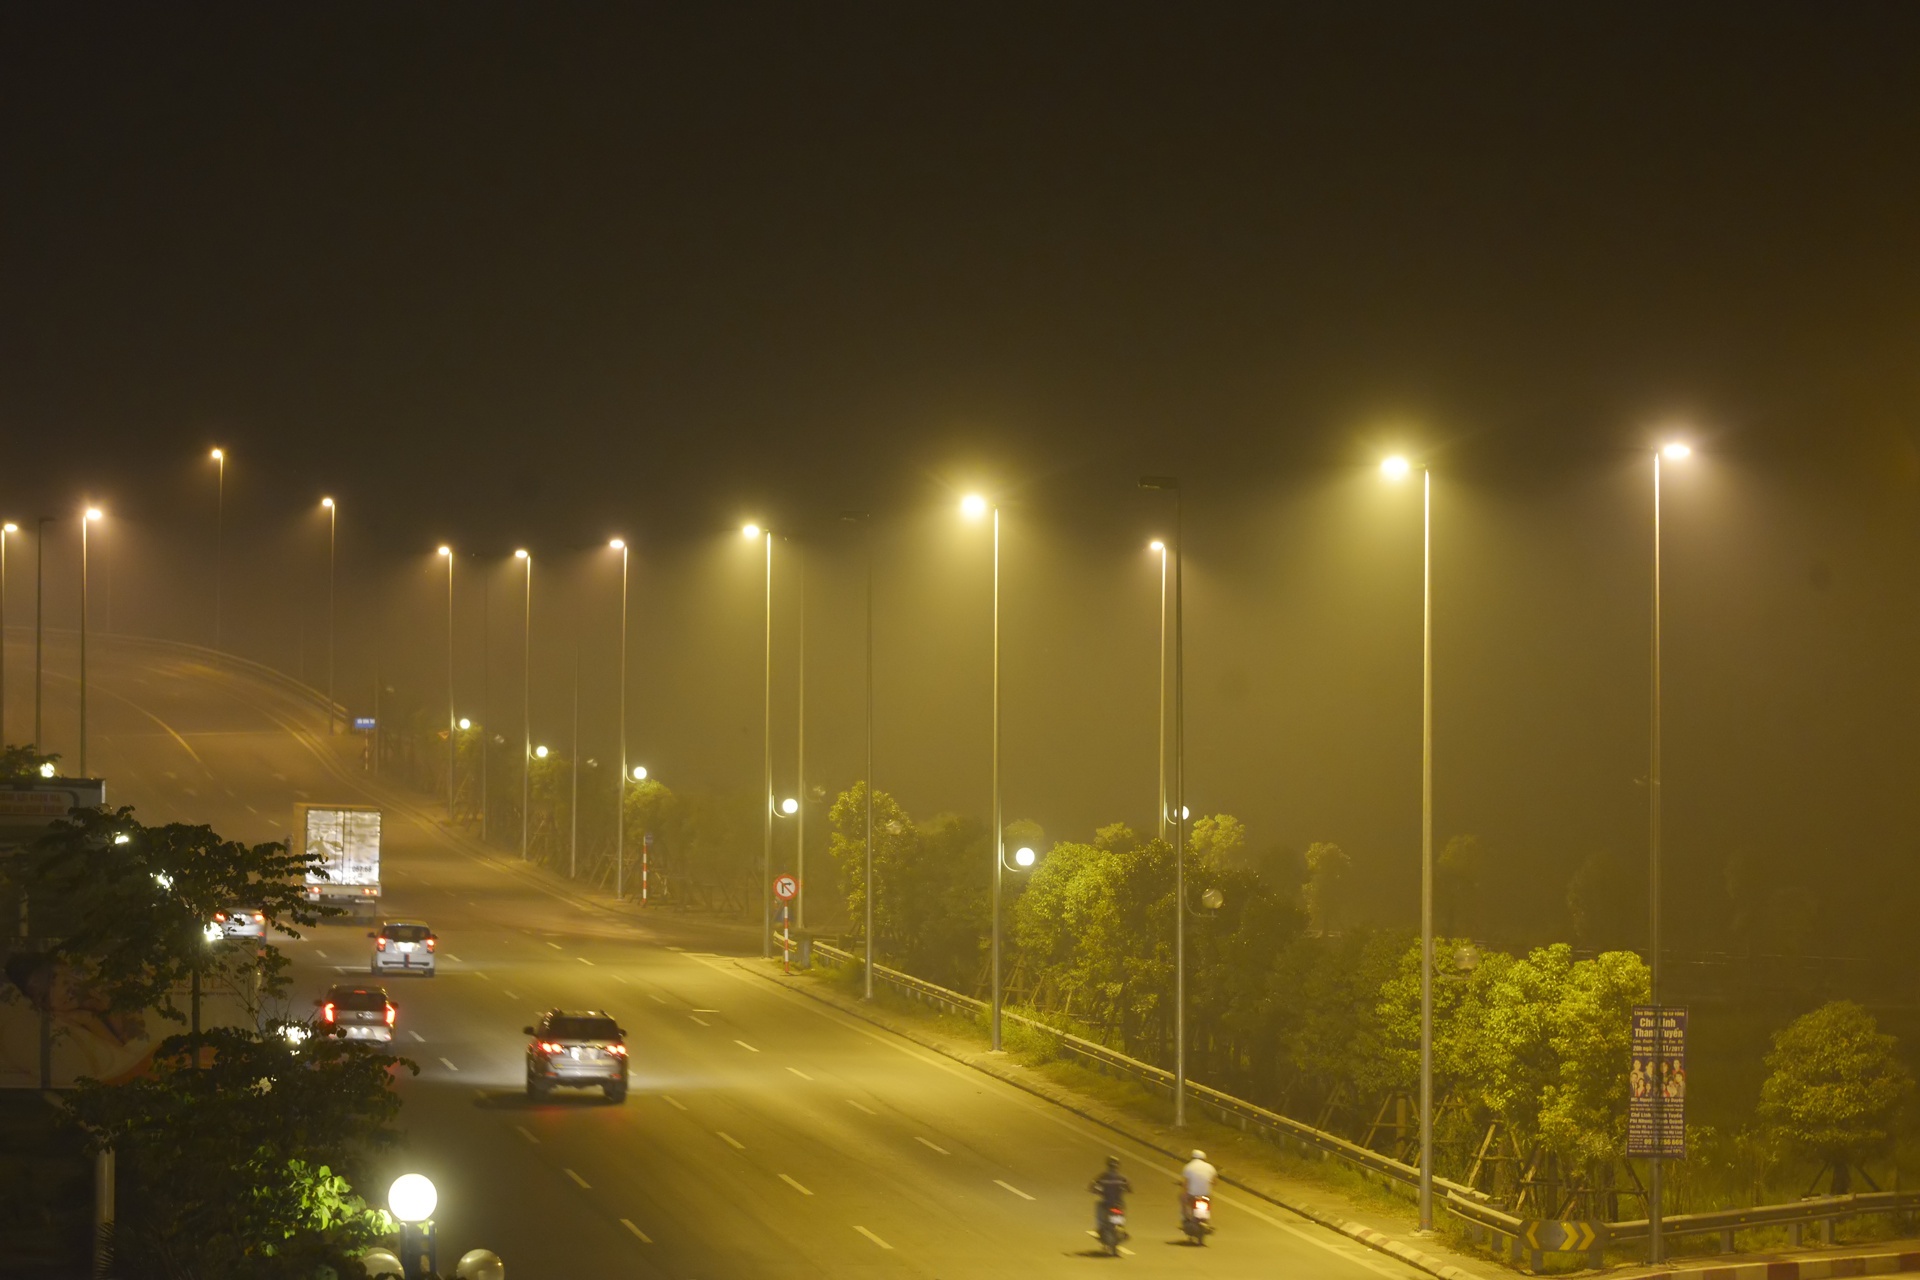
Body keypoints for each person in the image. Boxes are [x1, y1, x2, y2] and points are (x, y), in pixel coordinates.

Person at [1090, 1156, 1131, 1240]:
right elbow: (1129, 1189)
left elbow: (1093, 1186)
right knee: (1122, 1210)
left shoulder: (1102, 1176)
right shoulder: (1122, 1178)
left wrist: (1096, 1191)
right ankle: (1121, 1228)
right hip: (1118, 1203)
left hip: (1106, 1203)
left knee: (1098, 1206)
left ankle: (1100, 1228)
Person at [1180, 1149, 1217, 1228]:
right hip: (1206, 1194)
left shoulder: (1188, 1166)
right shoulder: (1210, 1167)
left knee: (1182, 1198)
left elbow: (1185, 1183)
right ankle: (1206, 1220)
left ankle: (1185, 1218)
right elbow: (1215, 1182)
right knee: (1209, 1200)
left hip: (1192, 1194)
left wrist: (1184, 1192)